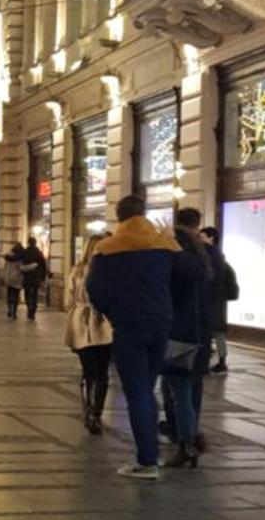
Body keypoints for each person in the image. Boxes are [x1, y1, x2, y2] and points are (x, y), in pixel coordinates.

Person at [86, 194, 182, 480]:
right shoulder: (165, 245)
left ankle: (147, 460)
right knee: (147, 387)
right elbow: (185, 278)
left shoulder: (107, 249)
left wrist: (112, 311)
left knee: (137, 390)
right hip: (161, 323)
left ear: (120, 217)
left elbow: (94, 289)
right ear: (144, 214)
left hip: (129, 326)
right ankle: (149, 452)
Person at [160, 208, 215, 469]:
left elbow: (188, 274)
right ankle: (188, 439)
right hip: (196, 331)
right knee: (183, 389)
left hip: (181, 333)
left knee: (179, 390)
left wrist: (170, 246)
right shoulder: (203, 253)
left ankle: (187, 443)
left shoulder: (185, 259)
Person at [64, 234, 113, 434]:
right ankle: (97, 412)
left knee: (88, 370)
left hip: (80, 322)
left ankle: (88, 411)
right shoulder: (109, 270)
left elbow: (67, 300)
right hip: (104, 323)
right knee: (103, 371)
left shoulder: (76, 270)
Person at [201, 226, 239, 370]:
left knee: (216, 333)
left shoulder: (214, 260)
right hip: (218, 302)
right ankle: (220, 361)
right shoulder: (221, 260)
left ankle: (220, 361)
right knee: (218, 333)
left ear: (211, 238)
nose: (200, 240)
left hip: (214, 301)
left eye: (202, 237)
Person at [19, 238, 48, 321]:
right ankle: (33, 311)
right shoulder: (39, 253)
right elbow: (43, 266)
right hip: (36, 277)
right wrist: (43, 277)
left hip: (27, 277)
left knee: (27, 293)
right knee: (35, 294)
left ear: (28, 243)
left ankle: (29, 307)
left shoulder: (25, 252)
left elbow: (20, 263)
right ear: (35, 243)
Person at [3, 243, 25, 319]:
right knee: (16, 295)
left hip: (9, 278)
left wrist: (4, 276)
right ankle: (14, 312)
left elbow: (5, 268)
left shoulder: (8, 257)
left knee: (9, 294)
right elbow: (22, 268)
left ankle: (9, 309)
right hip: (17, 278)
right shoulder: (20, 258)